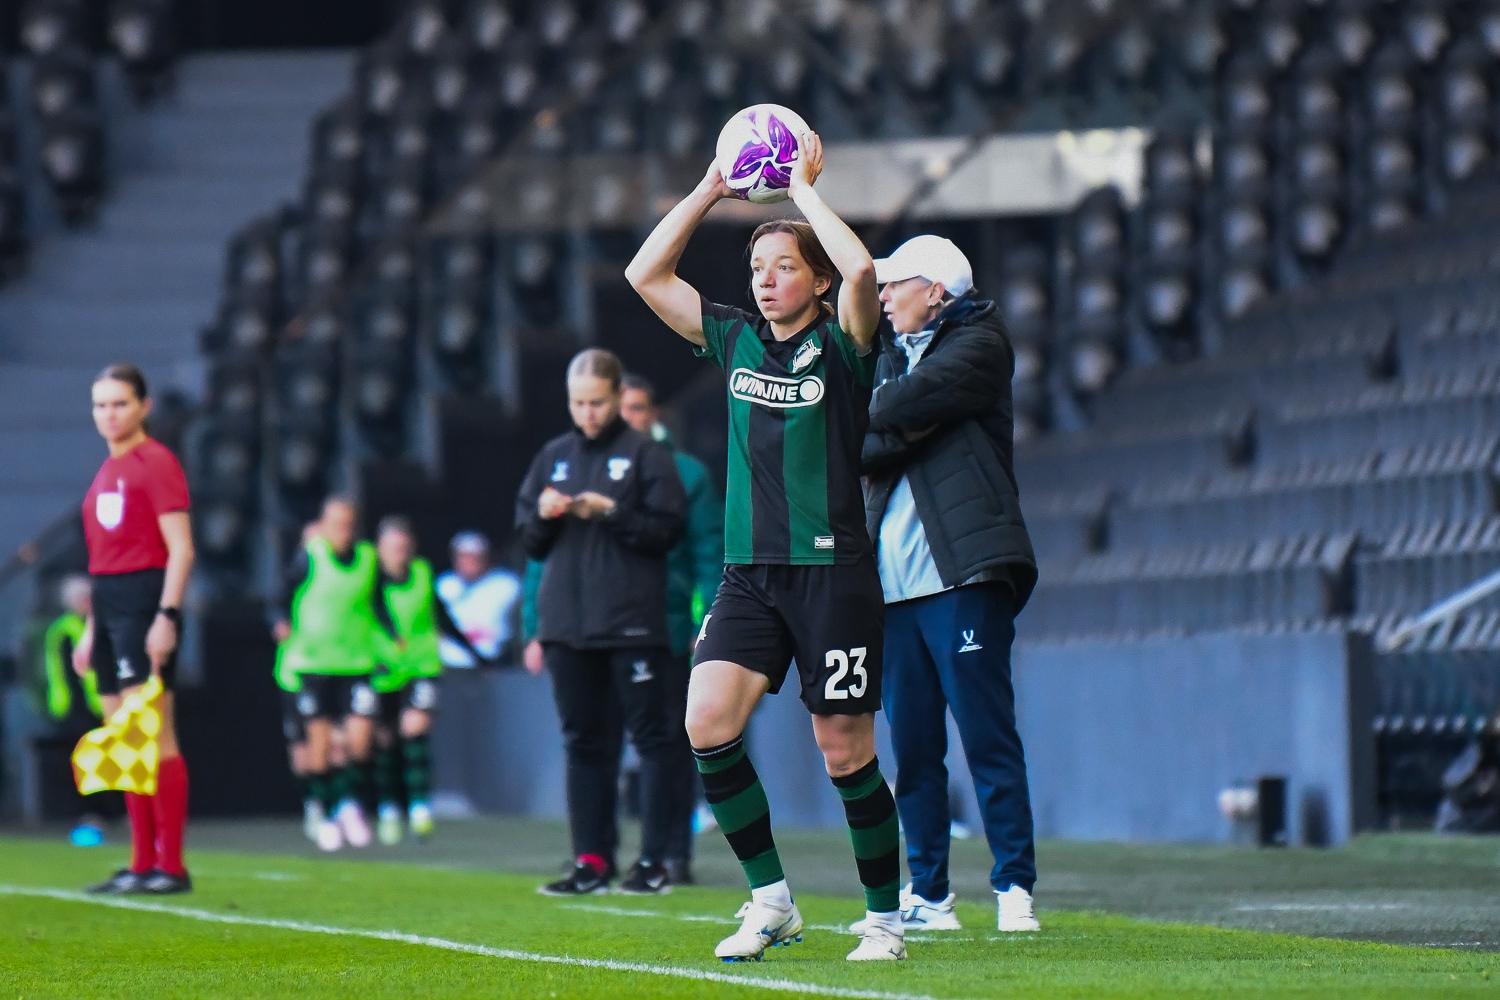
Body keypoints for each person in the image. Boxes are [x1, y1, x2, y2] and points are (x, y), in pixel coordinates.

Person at [626, 134, 906, 961]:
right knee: (706, 724)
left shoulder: (846, 346)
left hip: (833, 576)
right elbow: (646, 275)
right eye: (757, 268)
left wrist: (802, 192)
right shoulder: (734, 338)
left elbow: (862, 274)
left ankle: (885, 922)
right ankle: (771, 902)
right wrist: (710, 187)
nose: (766, 280)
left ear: (815, 281)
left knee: (845, 753)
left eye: (785, 267)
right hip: (748, 575)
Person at [857, 235, 1041, 934]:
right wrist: (890, 417)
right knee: (914, 749)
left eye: (896, 284)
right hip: (893, 587)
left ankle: (1014, 887)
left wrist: (879, 412)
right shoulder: (890, 357)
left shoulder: (982, 343)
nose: (883, 297)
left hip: (963, 572)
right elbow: (863, 441)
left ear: (935, 291)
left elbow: (888, 410)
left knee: (987, 735)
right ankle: (929, 894)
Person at [515, 348, 687, 896]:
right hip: (568, 627)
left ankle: (655, 860)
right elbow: (529, 539)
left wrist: (612, 512)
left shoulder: (646, 455)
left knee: (653, 741)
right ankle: (590, 860)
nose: (587, 413)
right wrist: (544, 516)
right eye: (578, 403)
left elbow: (668, 531)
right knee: (584, 744)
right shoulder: (553, 456)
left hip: (632, 623)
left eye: (597, 402)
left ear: (617, 397)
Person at [77, 364, 195, 895]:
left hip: (144, 601)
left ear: (144, 407)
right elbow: (104, 557)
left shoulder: (156, 462)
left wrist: (167, 616)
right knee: (124, 740)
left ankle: (171, 865)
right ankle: (140, 861)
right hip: (109, 605)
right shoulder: (108, 470)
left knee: (155, 734)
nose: (109, 414)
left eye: (120, 403)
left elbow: (181, 549)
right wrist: (91, 628)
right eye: (101, 405)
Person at [619, 372, 725, 886]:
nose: (628, 418)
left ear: (654, 414)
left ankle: (670, 852)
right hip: (603, 627)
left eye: (637, 408)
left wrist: (707, 623)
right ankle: (597, 854)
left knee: (670, 740)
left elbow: (710, 552)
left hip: (667, 623)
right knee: (600, 740)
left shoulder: (687, 474)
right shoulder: (585, 472)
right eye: (621, 408)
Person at [271, 496, 399, 853]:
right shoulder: (310, 557)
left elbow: (378, 602)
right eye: (336, 524)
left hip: (356, 662)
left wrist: (392, 634)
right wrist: (280, 621)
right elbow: (282, 594)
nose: (343, 531)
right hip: (315, 664)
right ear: (324, 527)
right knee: (319, 743)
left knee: (359, 739)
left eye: (348, 524)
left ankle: (347, 802)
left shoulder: (368, 559)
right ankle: (325, 811)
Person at [369, 515, 491, 844]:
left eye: (403, 547)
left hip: (422, 666)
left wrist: (475, 654)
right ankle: (389, 808)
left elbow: (442, 618)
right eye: (392, 548)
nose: (399, 554)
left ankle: (420, 809)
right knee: (385, 742)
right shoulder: (369, 581)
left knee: (415, 732)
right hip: (383, 669)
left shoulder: (422, 574)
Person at [432, 530, 520, 814]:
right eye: (464, 556)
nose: (469, 562)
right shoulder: (443, 586)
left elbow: (514, 628)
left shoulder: (505, 586)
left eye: (475, 557)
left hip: (488, 672)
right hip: (449, 671)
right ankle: (450, 790)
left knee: (487, 738)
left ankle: (488, 795)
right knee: (450, 736)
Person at [37, 575, 110, 845]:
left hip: (97, 706)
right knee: (82, 761)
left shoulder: (94, 625)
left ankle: (105, 813)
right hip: (74, 708)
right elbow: (65, 673)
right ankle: (87, 815)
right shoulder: (64, 630)